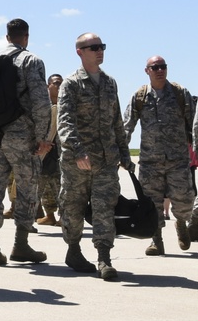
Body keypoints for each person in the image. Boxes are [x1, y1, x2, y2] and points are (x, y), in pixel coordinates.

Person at [57, 33, 132, 281]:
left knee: (104, 208)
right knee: (73, 207)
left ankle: (104, 257)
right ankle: (74, 250)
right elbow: (65, 122)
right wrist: (78, 151)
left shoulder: (110, 83)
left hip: (106, 160)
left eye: (102, 47)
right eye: (94, 47)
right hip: (77, 161)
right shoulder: (71, 84)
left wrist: (124, 153)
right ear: (80, 51)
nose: (100, 51)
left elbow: (116, 122)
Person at [0, 19, 52, 267]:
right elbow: (42, 102)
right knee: (26, 190)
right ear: (26, 37)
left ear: (7, 36)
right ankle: (20, 245)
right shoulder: (31, 60)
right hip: (23, 137)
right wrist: (43, 137)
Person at [123, 56, 195, 255]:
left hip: (178, 159)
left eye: (163, 67)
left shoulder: (180, 93)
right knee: (152, 203)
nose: (159, 70)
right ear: (147, 71)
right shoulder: (140, 96)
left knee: (185, 199)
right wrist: (122, 151)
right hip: (150, 160)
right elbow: (127, 125)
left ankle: (181, 223)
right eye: (155, 67)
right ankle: (157, 240)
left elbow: (194, 121)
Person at [36, 74, 64, 227]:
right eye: (56, 83)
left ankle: (63, 218)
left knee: (62, 190)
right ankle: (48, 216)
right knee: (38, 190)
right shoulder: (42, 106)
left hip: (59, 155)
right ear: (48, 86)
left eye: (61, 83)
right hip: (42, 153)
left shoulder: (67, 105)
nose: (59, 86)